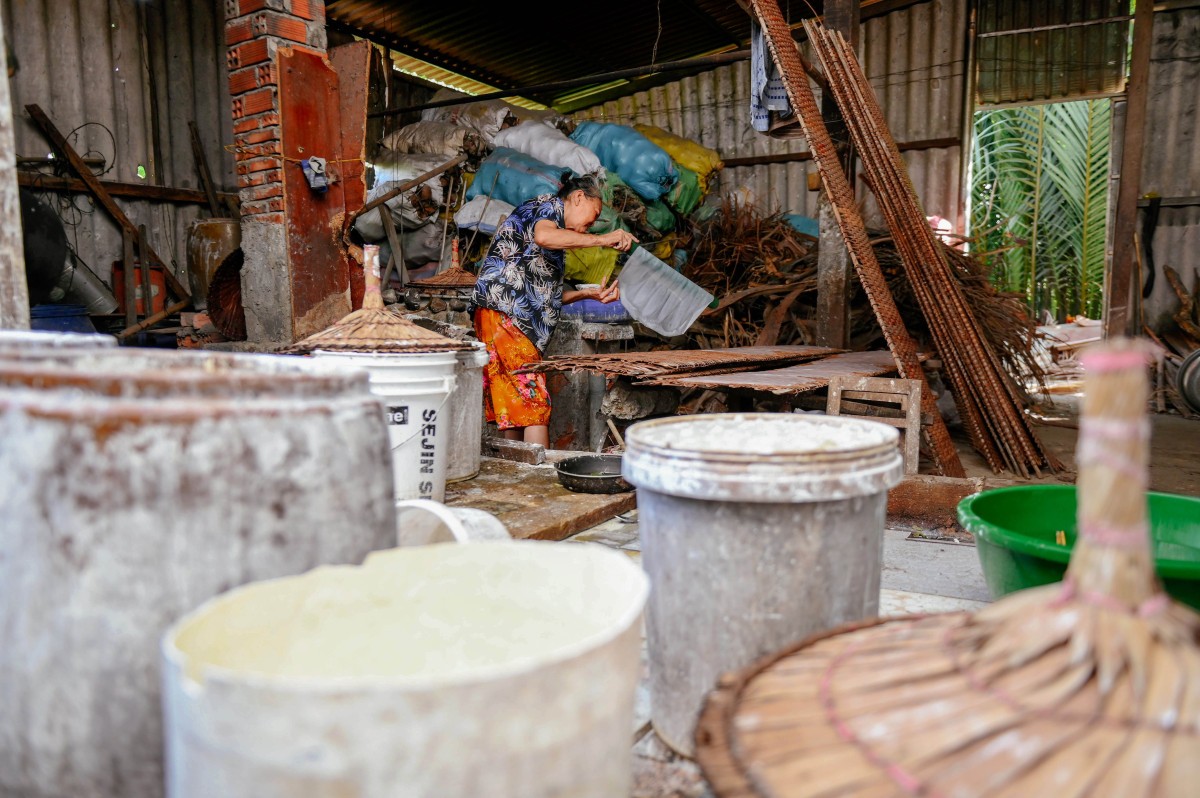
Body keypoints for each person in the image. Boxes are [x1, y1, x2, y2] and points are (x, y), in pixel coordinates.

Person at [471, 173, 637, 447]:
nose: (591, 225)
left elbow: (546, 295)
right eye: (594, 215)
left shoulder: (555, 233)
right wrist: (603, 239)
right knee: (535, 406)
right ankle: (541, 473)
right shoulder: (547, 206)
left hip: (501, 314)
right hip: (507, 315)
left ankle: (516, 470)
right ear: (578, 197)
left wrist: (587, 294)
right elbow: (544, 236)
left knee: (515, 407)